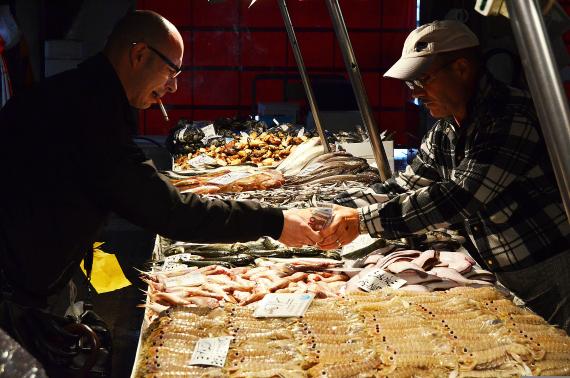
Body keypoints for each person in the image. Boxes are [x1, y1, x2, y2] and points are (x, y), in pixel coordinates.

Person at [0, 10, 320, 372]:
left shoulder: (77, 94)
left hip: (33, 277)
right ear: (138, 55)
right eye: (171, 72)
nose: (173, 87)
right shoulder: (89, 115)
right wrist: (274, 221)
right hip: (13, 294)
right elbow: (169, 211)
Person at [319, 20, 570, 332]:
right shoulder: (445, 130)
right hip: (501, 271)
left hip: (551, 271)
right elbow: (404, 186)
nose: (417, 95)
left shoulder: (510, 117)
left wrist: (362, 220)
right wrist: (328, 209)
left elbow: (458, 198)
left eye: (422, 80)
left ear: (462, 68)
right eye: (411, 85)